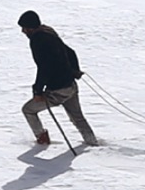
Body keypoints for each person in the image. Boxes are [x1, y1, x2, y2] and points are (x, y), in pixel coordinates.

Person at [17, 10, 98, 147]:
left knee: (28, 110)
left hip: (57, 90)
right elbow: (70, 52)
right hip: (70, 85)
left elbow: (44, 67)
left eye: (24, 28)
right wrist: (74, 71)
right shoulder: (48, 31)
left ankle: (42, 141)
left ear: (30, 28)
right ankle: (92, 143)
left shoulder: (38, 40)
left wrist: (38, 91)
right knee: (78, 118)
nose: (23, 31)